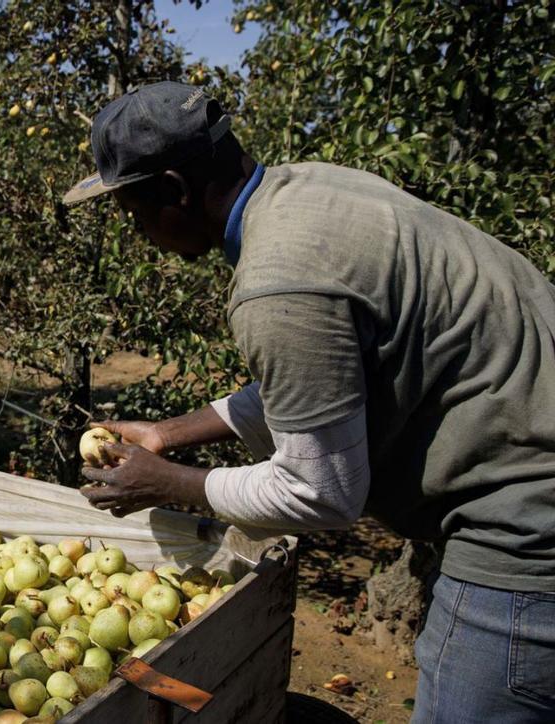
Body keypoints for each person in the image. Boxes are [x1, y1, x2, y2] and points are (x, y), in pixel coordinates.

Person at [64, 82, 555, 723]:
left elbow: (322, 492)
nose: (136, 231)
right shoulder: (316, 191)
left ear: (174, 191)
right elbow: (319, 388)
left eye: (133, 211)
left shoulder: (277, 283)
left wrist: (170, 483)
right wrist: (167, 433)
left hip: (525, 539)